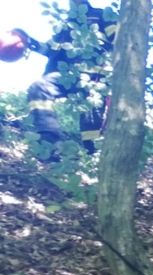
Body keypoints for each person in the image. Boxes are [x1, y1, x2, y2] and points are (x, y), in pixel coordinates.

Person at [10, 0, 117, 160]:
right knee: (40, 87)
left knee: (91, 132)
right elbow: (50, 50)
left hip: (95, 83)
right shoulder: (65, 24)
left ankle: (94, 161)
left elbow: (121, 43)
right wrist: (28, 41)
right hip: (67, 76)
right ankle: (49, 143)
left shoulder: (103, 15)